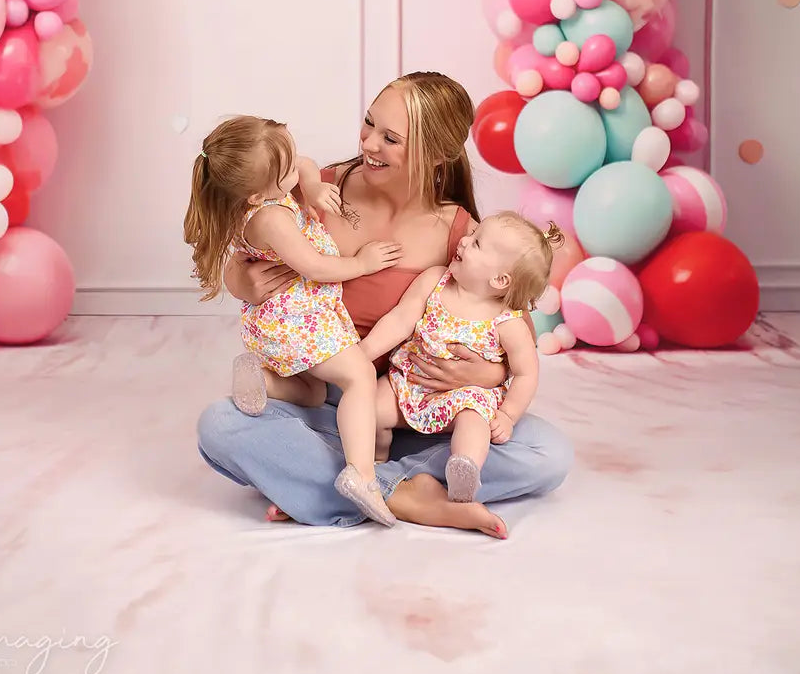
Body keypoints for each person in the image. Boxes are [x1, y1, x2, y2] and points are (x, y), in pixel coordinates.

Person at [196, 71, 573, 533]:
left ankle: (352, 483)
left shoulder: (462, 234)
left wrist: (487, 374)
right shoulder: (317, 191)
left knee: (548, 453)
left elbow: (512, 336)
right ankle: (405, 494)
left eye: (391, 138)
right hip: (318, 398)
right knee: (219, 425)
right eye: (369, 124)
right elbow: (241, 243)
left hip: (416, 411)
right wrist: (240, 281)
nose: (369, 143)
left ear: (436, 155)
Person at [184, 115, 400, 526]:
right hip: (297, 320)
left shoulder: (260, 189)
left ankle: (265, 381)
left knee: (314, 394)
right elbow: (315, 267)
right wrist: (361, 261)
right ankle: (363, 475)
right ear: (255, 195)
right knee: (358, 377)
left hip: (277, 323)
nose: (295, 166)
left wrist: (314, 187)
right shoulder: (270, 220)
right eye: (284, 170)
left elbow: (303, 163)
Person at [361, 212, 564, 539]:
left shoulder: (507, 322)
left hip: (465, 396)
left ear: (500, 280)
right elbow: (401, 319)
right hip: (410, 382)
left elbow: (526, 373)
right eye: (473, 234)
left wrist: (509, 415)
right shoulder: (436, 280)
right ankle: (374, 462)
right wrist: (363, 355)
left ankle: (464, 468)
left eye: (477, 242)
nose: (465, 241)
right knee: (370, 408)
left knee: (474, 421)